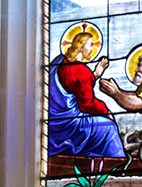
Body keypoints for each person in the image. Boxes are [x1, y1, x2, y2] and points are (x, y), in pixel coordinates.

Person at [47, 22, 126, 161]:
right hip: (72, 124)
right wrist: (106, 111)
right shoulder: (81, 71)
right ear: (81, 47)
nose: (92, 48)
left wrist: (94, 75)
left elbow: (73, 86)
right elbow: (87, 105)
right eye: (90, 44)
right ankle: (117, 164)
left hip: (55, 122)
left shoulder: (60, 62)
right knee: (109, 127)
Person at [99, 43, 142, 137]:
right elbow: (134, 97)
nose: (136, 70)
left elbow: (136, 104)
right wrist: (116, 90)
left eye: (139, 66)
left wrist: (116, 93)